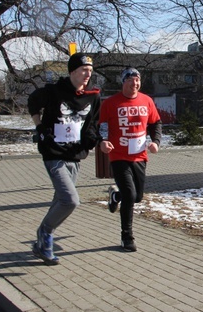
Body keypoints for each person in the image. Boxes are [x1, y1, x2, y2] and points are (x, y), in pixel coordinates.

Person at [28, 53, 102, 265]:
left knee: (60, 200)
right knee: (70, 200)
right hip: (53, 153)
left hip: (75, 156)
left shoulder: (93, 97)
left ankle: (42, 245)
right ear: (72, 72)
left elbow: (92, 125)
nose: (88, 74)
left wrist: (95, 141)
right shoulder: (53, 91)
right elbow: (33, 102)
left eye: (90, 71)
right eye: (83, 70)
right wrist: (40, 126)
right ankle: (45, 232)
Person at [99, 67, 162, 252]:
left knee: (137, 197)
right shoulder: (110, 103)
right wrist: (103, 142)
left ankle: (115, 195)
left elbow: (156, 123)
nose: (134, 84)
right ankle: (127, 237)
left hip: (140, 155)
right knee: (129, 194)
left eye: (137, 81)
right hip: (118, 155)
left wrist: (156, 141)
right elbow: (102, 125)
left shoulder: (147, 101)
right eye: (130, 81)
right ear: (123, 82)